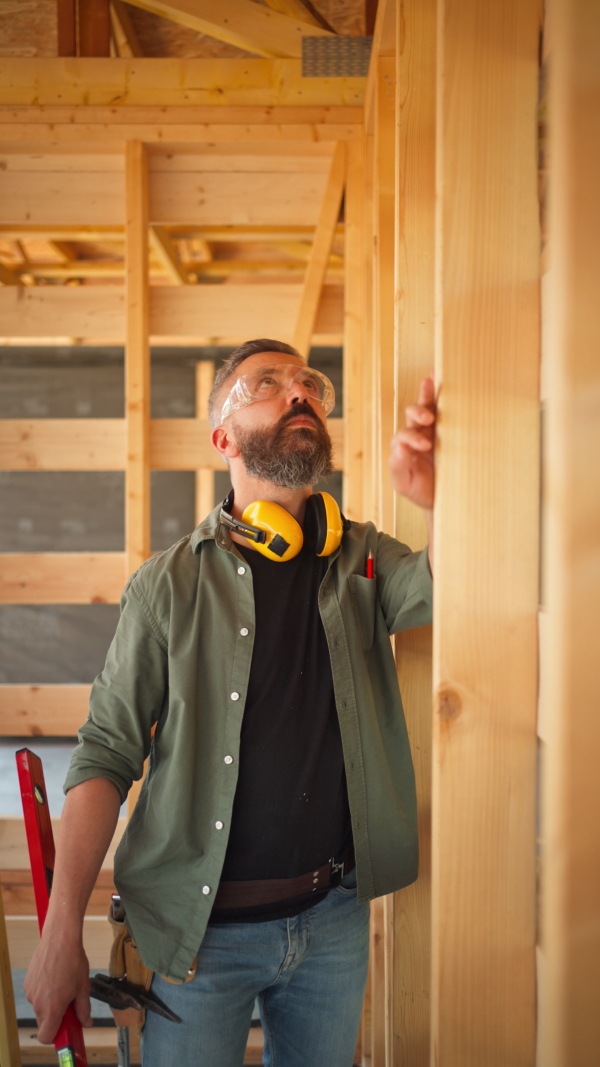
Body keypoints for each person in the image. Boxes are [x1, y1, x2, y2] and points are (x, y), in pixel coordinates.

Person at [24, 338, 436, 1067]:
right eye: (267, 384)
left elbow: (456, 585)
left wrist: (442, 499)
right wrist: (62, 931)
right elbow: (106, 752)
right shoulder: (167, 586)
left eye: (307, 381)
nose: (298, 391)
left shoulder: (363, 558)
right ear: (223, 438)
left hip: (332, 920)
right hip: (195, 938)